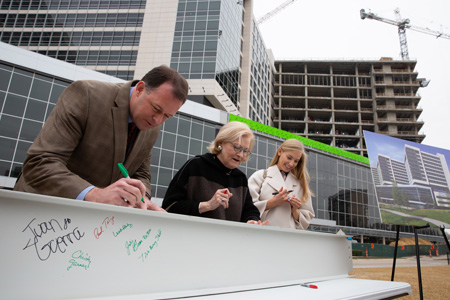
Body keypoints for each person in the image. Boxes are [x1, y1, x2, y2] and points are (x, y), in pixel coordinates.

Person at [14, 65, 188, 211]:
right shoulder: (87, 95)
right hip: (36, 208)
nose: (158, 120)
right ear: (140, 89)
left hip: (86, 221)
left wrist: (141, 198)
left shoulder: (152, 126)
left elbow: (140, 173)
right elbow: (39, 162)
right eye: (156, 109)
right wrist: (95, 194)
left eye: (167, 116)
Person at [162, 121, 265, 224]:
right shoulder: (195, 166)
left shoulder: (240, 178)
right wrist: (207, 205)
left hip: (228, 239)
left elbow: (250, 210)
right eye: (236, 147)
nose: (241, 155)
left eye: (245, 150)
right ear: (220, 143)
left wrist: (252, 220)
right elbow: (169, 206)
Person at [248, 139, 315, 229]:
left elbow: (306, 220)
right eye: (289, 158)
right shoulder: (260, 176)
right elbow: (247, 209)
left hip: (288, 238)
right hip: (262, 234)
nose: (291, 164)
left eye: (296, 161)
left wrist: (295, 210)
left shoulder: (301, 186)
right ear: (279, 151)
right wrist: (271, 203)